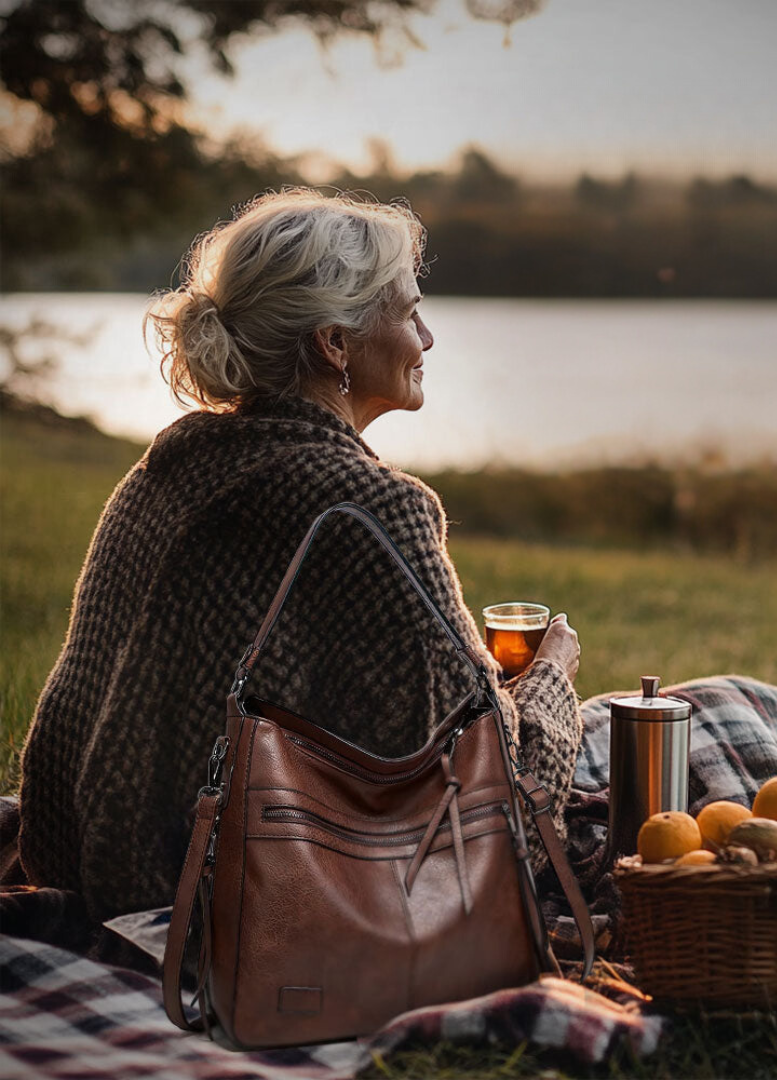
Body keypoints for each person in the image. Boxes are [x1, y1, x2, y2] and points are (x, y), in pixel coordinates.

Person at [16, 189, 584, 921]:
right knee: (724, 704)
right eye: (410, 313)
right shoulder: (374, 509)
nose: (428, 338)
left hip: (83, 858)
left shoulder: (172, 461)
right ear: (334, 344)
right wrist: (552, 683)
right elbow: (494, 807)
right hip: (251, 905)